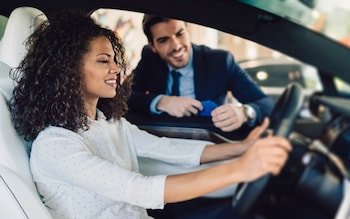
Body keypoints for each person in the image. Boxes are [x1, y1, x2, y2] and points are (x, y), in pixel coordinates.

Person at [9, 11, 291, 219]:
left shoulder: (108, 123)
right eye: (104, 61)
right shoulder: (55, 145)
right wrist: (240, 169)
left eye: (115, 60)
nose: (118, 70)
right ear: (68, 71)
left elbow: (166, 147)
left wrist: (240, 148)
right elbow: (139, 189)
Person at [127, 14, 275, 133]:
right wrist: (160, 102)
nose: (176, 46)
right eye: (163, 40)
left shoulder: (220, 62)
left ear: (187, 28)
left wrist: (245, 112)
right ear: (152, 46)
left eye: (180, 34)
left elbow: (266, 104)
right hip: (160, 139)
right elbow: (125, 96)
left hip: (209, 140)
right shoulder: (150, 59)